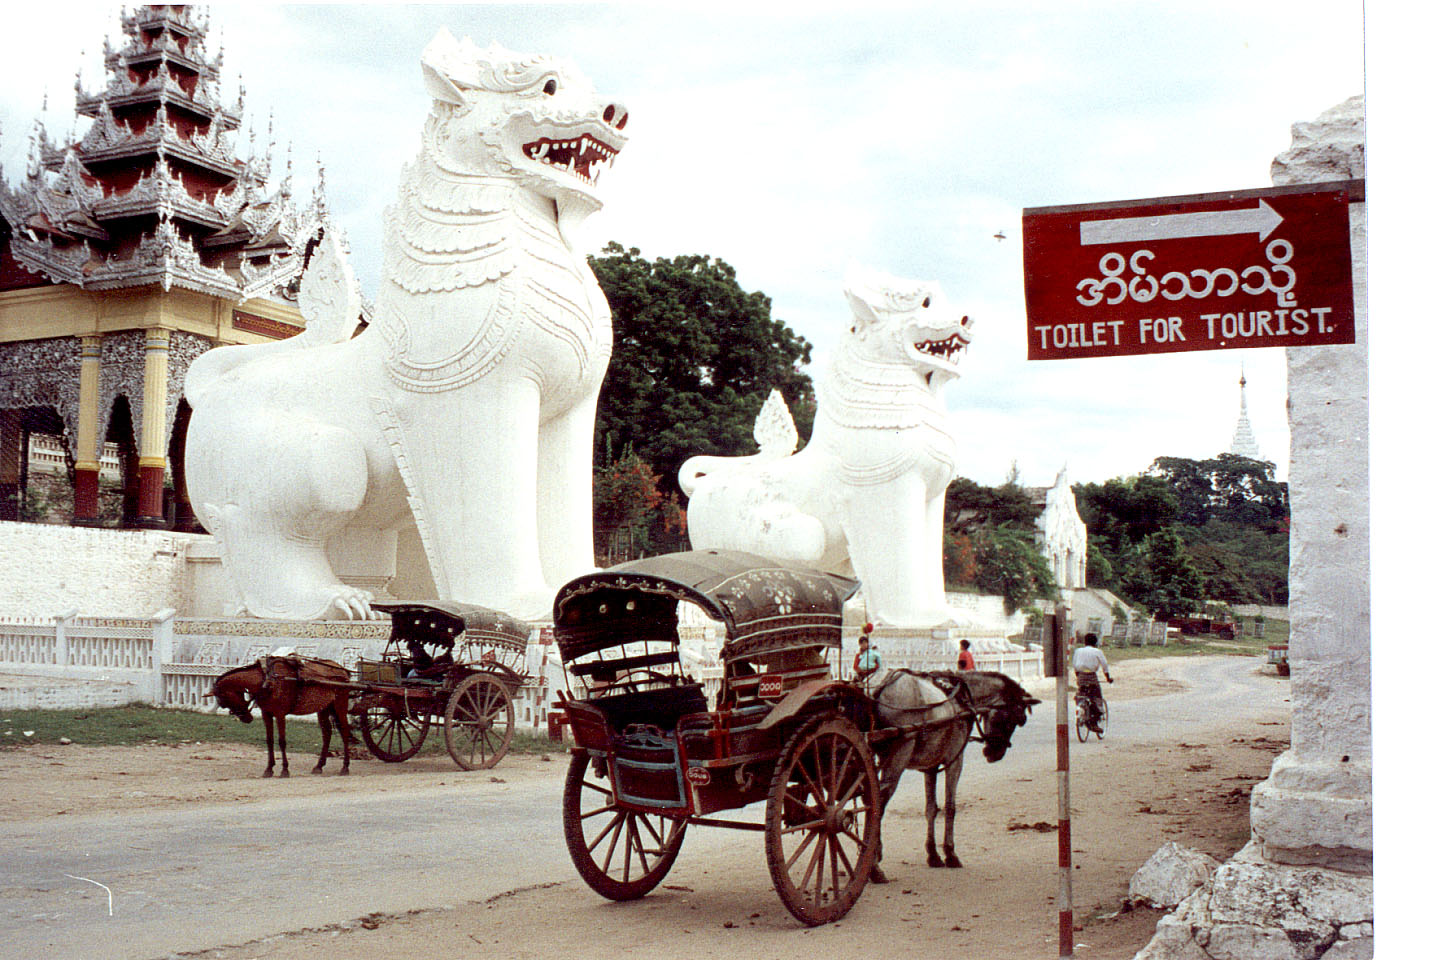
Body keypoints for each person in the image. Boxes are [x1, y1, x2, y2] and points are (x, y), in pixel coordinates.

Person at [1071, 632, 1113, 723]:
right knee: (1097, 695)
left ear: (1085, 642)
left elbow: (1074, 664)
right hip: (1091, 676)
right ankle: (1097, 715)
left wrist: (1078, 676)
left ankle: (1081, 707)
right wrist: (1108, 678)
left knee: (1081, 693)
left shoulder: (1078, 651)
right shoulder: (1097, 651)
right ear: (1095, 642)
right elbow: (1104, 665)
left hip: (1081, 676)